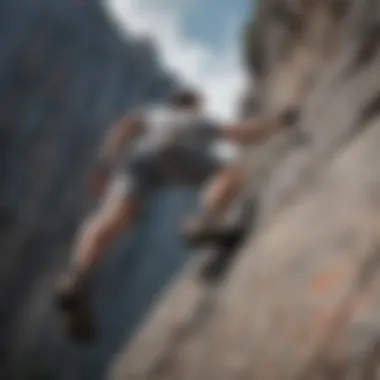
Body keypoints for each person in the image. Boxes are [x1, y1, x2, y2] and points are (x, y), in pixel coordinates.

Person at [55, 88, 298, 342]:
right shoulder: (196, 119)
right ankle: (206, 219)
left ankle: (77, 278)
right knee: (229, 173)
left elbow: (126, 125)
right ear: (193, 104)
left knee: (114, 216)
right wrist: (278, 123)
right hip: (173, 147)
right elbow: (241, 134)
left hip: (140, 160)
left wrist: (105, 162)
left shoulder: (152, 113)